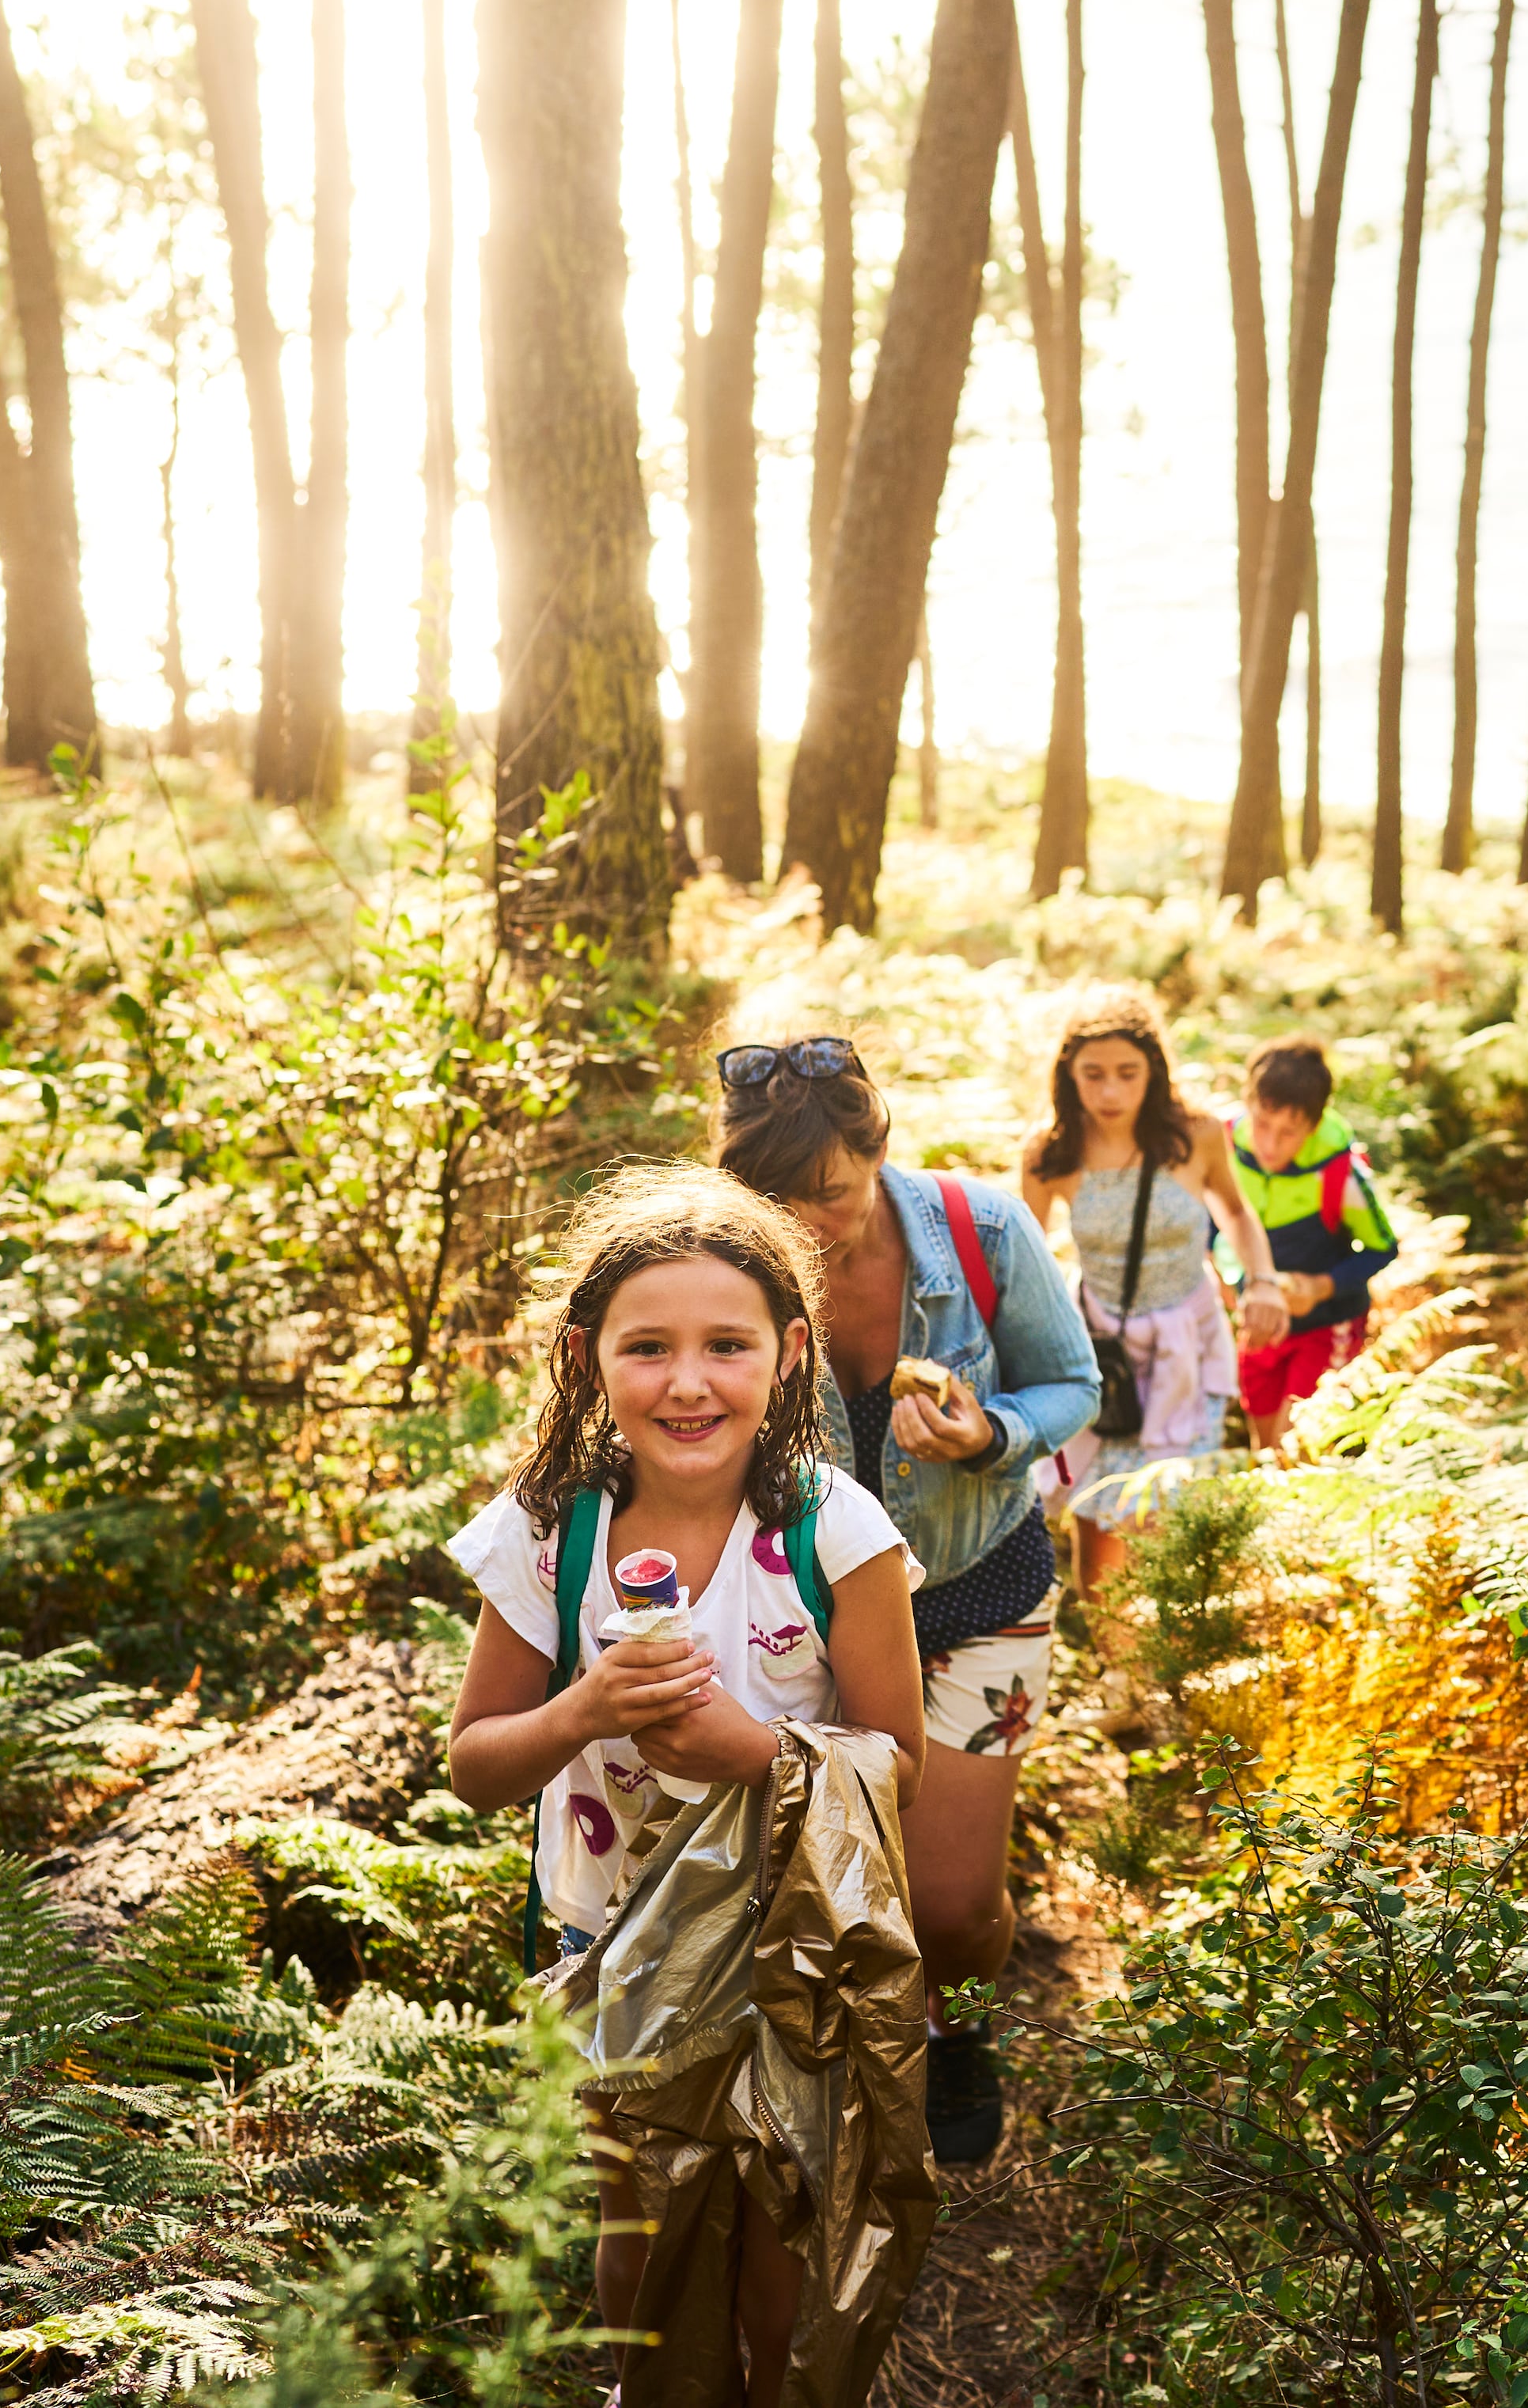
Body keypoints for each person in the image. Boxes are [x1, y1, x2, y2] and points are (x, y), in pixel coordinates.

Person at [439, 1165, 927, 2394]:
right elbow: (473, 1766)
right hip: (608, 1932)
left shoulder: (837, 1532)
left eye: (728, 1344)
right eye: (648, 1347)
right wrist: (583, 1710)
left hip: (789, 1938)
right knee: (638, 2218)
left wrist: (752, 1753)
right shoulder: (556, 1532)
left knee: (773, 2225)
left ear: (790, 1350)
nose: (689, 1382)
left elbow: (898, 1766)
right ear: (586, 1353)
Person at [710, 1032, 1098, 2168]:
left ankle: (961, 2020)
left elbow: (1072, 1381)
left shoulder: (981, 1232)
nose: (804, 1226)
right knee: (832, 1869)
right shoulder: (731, 1260)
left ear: (878, 1152)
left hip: (983, 1590)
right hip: (822, 1613)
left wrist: (993, 1433)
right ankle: (848, 2048)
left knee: (955, 1904)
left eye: (825, 1194)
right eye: (772, 1200)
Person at [1015, 988, 1289, 1560]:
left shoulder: (1198, 1134)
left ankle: (1165, 1641)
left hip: (1187, 1342)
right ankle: (1113, 1647)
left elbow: (1236, 1212)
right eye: (1093, 1074)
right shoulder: (1050, 1152)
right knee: (1101, 1515)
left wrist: (1262, 1281)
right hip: (1099, 1350)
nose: (1110, 1091)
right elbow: (1025, 1257)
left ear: (1154, 1070)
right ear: (1068, 1073)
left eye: (1126, 1073)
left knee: (1170, 1513)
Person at [1227, 1035, 1402, 1450]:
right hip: (1261, 1323)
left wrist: (1319, 1287)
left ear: (1315, 1124)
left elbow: (1384, 1248)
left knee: (1299, 1445)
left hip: (1328, 1325)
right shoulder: (1226, 1148)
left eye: (1289, 1133)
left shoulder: (1340, 1173)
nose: (1270, 1144)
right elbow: (1213, 1230)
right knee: (1264, 1443)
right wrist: (1235, 1286)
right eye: (1262, 1124)